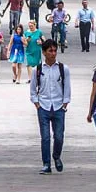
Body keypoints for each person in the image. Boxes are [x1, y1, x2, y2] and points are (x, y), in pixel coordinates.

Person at [31, 39, 71, 174]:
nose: (53, 54)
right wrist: (36, 103)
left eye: (55, 51)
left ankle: (56, 156)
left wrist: (65, 102)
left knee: (59, 136)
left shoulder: (63, 68)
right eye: (50, 51)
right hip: (43, 105)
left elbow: (67, 87)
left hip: (59, 106)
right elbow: (33, 88)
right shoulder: (37, 69)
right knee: (45, 137)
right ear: (44, 53)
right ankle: (46, 163)